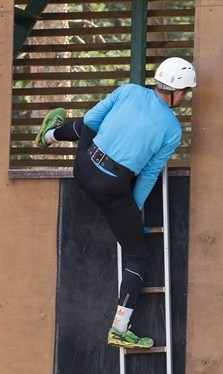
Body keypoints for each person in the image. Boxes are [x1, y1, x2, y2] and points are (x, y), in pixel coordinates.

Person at [34, 57, 197, 350]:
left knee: (88, 125)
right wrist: (130, 211)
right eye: (184, 92)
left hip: (83, 166)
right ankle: (120, 328)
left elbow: (91, 123)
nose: (183, 97)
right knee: (137, 255)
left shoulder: (128, 91)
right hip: (110, 187)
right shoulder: (172, 130)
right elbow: (148, 175)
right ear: (176, 91)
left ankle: (48, 135)